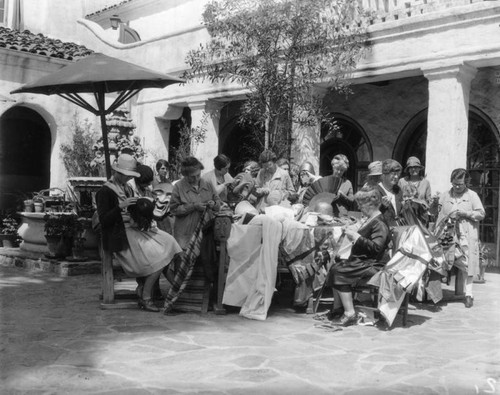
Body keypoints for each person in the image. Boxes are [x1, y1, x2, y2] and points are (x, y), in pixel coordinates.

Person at [96, 154, 182, 312]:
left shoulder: (126, 187)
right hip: (120, 236)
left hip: (134, 229)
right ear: (119, 173)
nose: (129, 179)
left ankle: (168, 289)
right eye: (128, 176)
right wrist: (120, 206)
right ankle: (146, 296)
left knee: (169, 241)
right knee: (158, 258)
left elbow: (134, 211)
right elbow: (104, 221)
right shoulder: (105, 191)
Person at [328, 186, 391, 326]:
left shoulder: (379, 222)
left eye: (361, 205)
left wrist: (356, 236)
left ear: (370, 205)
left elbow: (376, 248)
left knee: (338, 271)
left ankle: (349, 312)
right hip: (364, 261)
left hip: (374, 264)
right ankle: (339, 308)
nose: (360, 208)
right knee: (335, 265)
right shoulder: (371, 219)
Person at [115, 198, 182, 312]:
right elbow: (134, 224)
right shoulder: (127, 220)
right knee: (158, 263)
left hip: (141, 241)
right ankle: (146, 298)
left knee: (168, 253)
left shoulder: (141, 220)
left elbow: (147, 226)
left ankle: (179, 290)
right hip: (132, 248)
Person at [436, 168, 485, 308]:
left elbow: (481, 213)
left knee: (468, 262)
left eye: (461, 184)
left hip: (465, 234)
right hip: (447, 235)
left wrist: (465, 213)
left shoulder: (472, 196)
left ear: (466, 183)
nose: (457, 187)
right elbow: (438, 214)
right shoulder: (445, 196)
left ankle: (469, 294)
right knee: (443, 259)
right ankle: (435, 294)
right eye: (455, 184)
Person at [170, 156, 222, 249]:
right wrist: (193, 206)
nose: (196, 179)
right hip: (185, 235)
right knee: (184, 261)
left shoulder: (207, 184)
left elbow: (218, 202)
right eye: (192, 177)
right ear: (185, 175)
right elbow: (174, 210)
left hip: (205, 233)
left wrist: (214, 204)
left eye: (198, 175)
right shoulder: (178, 187)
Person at [376, 159, 403, 226]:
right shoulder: (375, 191)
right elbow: (370, 215)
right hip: (382, 231)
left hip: (398, 230)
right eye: (393, 174)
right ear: (384, 175)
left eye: (398, 174)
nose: (396, 177)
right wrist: (382, 206)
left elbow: (401, 213)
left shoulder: (398, 190)